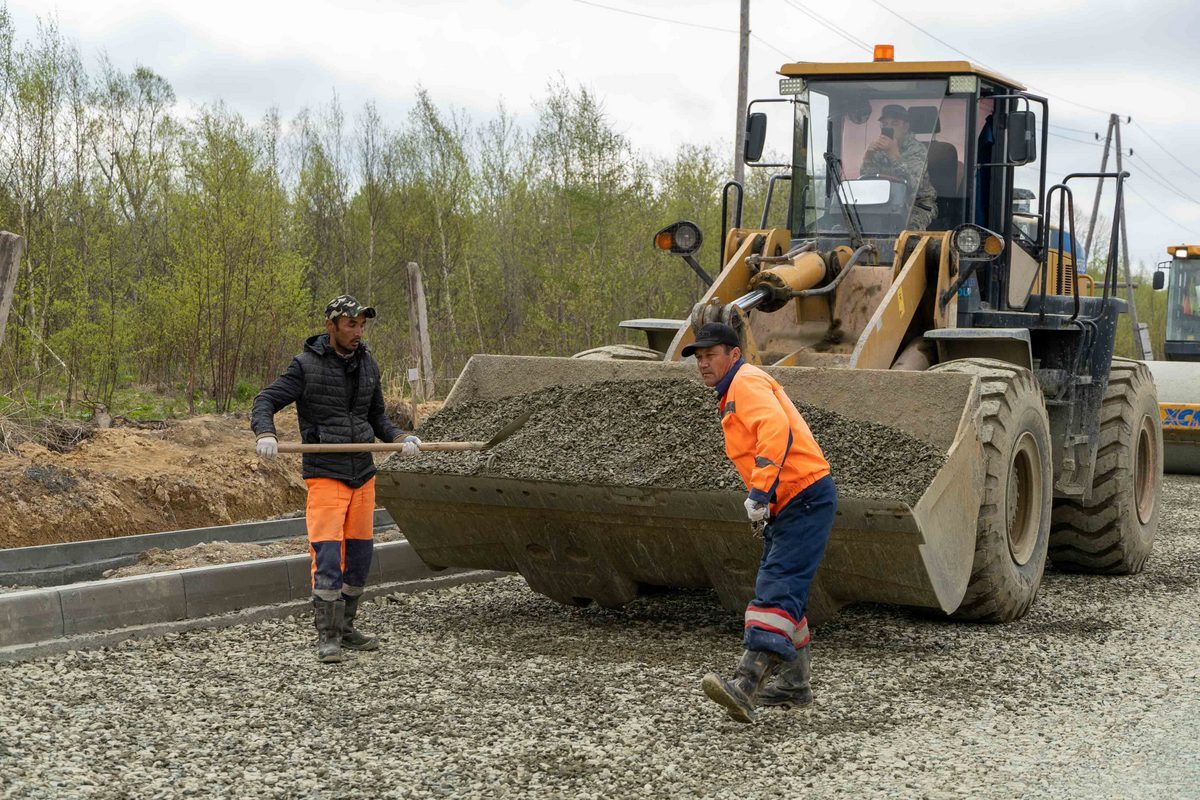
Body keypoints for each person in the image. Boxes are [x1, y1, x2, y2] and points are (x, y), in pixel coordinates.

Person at [251, 295, 421, 663]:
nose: (358, 332)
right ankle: (326, 635)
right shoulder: (305, 366)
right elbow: (265, 401)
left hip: (362, 472)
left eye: (362, 325)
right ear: (331, 326)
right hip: (326, 474)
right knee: (328, 554)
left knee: (359, 556)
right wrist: (266, 433)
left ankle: (346, 627)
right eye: (351, 325)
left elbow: (377, 417)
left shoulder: (368, 364)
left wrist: (398, 438)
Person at [687, 322, 838, 724]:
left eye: (710, 355)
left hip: (802, 495)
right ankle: (793, 683)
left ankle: (745, 684)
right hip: (795, 498)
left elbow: (776, 430)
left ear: (733, 355)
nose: (703, 363)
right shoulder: (736, 389)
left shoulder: (746, 383)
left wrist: (759, 490)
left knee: (777, 586)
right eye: (699, 358)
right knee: (787, 590)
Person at [860, 104, 937, 231]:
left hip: (916, 204)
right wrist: (868, 156)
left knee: (907, 232)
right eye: (885, 124)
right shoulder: (879, 149)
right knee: (857, 226)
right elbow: (866, 179)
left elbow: (912, 184)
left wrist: (893, 154)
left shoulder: (917, 149)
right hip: (884, 203)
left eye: (894, 123)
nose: (889, 127)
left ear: (906, 127)